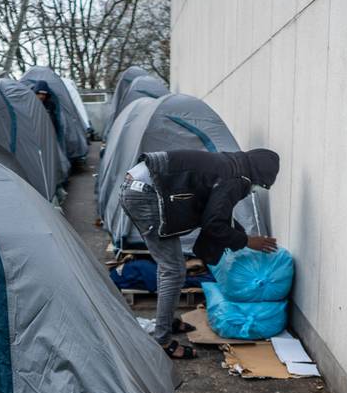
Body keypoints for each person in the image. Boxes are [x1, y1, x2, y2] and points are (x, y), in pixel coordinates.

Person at [119, 148, 280, 358]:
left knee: (169, 267)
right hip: (146, 193)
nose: (254, 188)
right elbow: (213, 222)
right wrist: (248, 241)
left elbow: (219, 212)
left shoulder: (232, 164)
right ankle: (162, 340)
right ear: (258, 174)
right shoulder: (237, 178)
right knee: (174, 270)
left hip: (143, 185)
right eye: (259, 184)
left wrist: (238, 235)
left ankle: (164, 323)